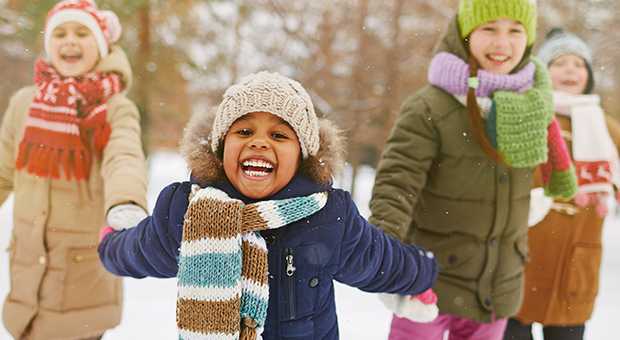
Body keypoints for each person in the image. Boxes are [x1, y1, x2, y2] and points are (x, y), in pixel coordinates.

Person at [97, 71, 439, 340]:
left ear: (303, 156)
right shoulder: (188, 211)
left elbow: (379, 260)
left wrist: (421, 274)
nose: (259, 141)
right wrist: (111, 243)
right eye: (244, 131)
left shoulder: (329, 217)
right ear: (220, 148)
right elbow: (141, 249)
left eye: (279, 135)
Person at [368, 0, 579, 339]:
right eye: (489, 28)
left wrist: (529, 205)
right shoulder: (429, 107)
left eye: (515, 30)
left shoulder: (532, 103)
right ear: (465, 34)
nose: (502, 43)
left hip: (496, 288)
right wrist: (387, 266)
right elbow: (395, 190)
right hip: (427, 285)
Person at [0, 1, 149, 339]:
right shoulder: (25, 103)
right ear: (48, 44)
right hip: (26, 273)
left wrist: (126, 201)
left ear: (100, 45)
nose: (69, 40)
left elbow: (124, 157)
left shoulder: (114, 108)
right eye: (60, 33)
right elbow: (3, 170)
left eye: (82, 33)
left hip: (80, 280)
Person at [503, 28, 620, 340]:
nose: (571, 69)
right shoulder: (524, 116)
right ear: (542, 71)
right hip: (523, 255)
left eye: (579, 64)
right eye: (560, 62)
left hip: (576, 263)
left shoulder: (606, 129)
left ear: (589, 75)